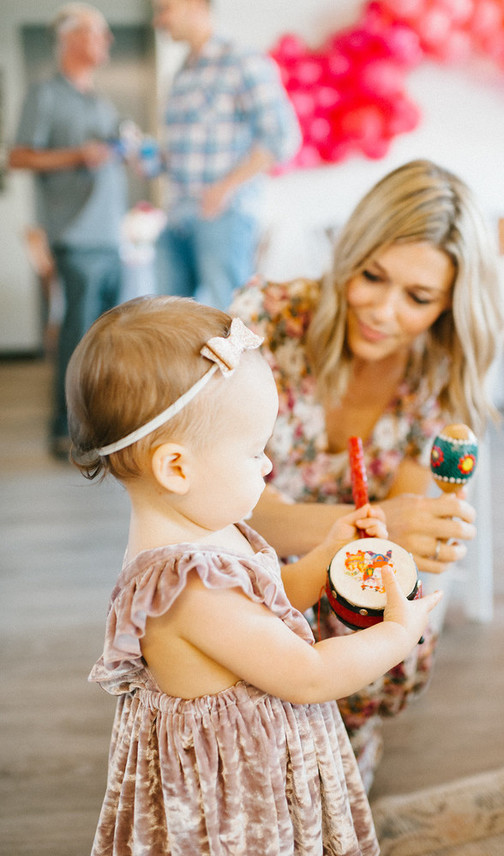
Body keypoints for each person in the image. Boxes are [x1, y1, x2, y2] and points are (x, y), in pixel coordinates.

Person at [65, 295, 441, 854]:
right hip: (237, 807)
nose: (269, 465)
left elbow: (265, 608)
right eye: (253, 452)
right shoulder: (186, 589)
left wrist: (323, 554)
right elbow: (309, 675)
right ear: (176, 468)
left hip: (262, 759)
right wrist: (396, 634)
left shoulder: (205, 526)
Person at [230, 158, 504, 790]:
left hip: (344, 599)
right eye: (372, 276)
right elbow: (224, 512)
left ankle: (339, 753)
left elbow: (390, 547)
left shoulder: (436, 377)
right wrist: (381, 525)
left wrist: (416, 532)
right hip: (244, 573)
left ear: (450, 304)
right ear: (349, 252)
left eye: (418, 297)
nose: (383, 311)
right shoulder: (266, 320)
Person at [9, 2, 128, 459]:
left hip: (111, 235)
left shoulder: (102, 101)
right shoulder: (45, 95)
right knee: (78, 339)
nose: (107, 41)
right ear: (73, 40)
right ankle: (66, 429)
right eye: (100, 33)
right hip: (74, 237)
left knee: (110, 342)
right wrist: (78, 155)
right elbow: (18, 156)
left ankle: (105, 425)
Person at [151, 0, 301, 309]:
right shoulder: (180, 74)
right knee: (168, 320)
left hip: (224, 215)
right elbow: (189, 152)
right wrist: (155, 159)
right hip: (177, 214)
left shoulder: (242, 61)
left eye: (164, 9)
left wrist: (224, 188)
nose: (159, 21)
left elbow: (282, 138)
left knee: (231, 318)